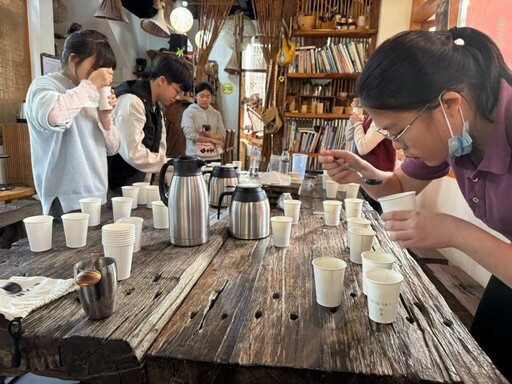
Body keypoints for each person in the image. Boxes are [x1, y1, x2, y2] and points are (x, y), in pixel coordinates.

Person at [319, 27, 512, 380]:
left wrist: (455, 232)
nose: (396, 148)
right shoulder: (458, 133)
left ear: (449, 105)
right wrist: (362, 172)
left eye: (397, 132)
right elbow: (398, 185)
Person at [25, 29, 119, 216]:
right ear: (73, 59)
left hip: (98, 194)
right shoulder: (44, 85)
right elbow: (54, 115)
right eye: (95, 70)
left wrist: (105, 117)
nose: (99, 77)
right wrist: (91, 85)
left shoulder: (88, 91)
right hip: (64, 199)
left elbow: (113, 148)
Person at [108, 56, 193, 192]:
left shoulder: (155, 107)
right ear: (162, 80)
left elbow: (160, 148)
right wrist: (171, 164)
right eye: (177, 91)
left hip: (139, 187)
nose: (177, 97)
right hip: (119, 188)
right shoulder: (132, 101)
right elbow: (133, 153)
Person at [347, 101, 396, 212]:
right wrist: (354, 119)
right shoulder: (370, 117)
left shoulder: (383, 118)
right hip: (365, 175)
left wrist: (358, 123)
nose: (358, 99)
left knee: (373, 218)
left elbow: (363, 147)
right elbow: (349, 136)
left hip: (378, 176)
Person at [182, 82, 226, 161]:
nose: (205, 99)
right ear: (196, 96)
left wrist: (210, 135)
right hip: (194, 157)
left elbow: (222, 134)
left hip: (214, 157)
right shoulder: (189, 112)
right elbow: (190, 134)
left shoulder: (216, 114)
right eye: (201, 96)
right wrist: (212, 139)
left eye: (208, 96)